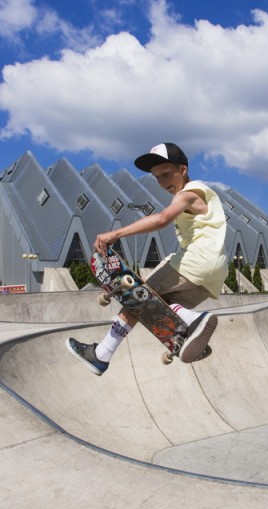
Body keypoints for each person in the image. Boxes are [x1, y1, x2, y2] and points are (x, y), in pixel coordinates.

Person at [66, 142, 227, 375]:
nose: (162, 183)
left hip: (193, 262)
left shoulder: (190, 192)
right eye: (157, 178)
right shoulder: (204, 197)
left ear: (183, 169)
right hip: (213, 274)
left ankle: (195, 321)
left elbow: (162, 219)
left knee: (136, 296)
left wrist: (116, 233)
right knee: (149, 307)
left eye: (166, 174)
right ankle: (103, 354)